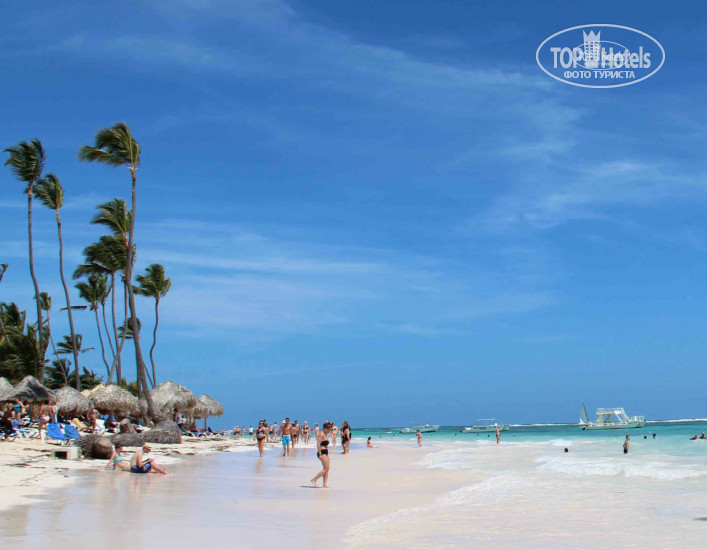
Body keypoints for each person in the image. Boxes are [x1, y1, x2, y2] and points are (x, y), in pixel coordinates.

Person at [311, 422, 332, 488]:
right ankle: (314, 480)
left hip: (326, 452)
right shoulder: (321, 434)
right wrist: (320, 454)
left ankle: (325, 484)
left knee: (327, 469)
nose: (329, 431)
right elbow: (318, 444)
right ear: (325, 428)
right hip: (322, 452)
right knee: (325, 469)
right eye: (328, 429)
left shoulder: (325, 434)